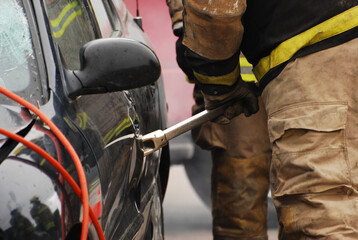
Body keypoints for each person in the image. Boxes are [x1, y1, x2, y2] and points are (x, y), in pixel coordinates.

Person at [174, 0, 358, 239]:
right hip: (307, 69)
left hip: (309, 69)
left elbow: (214, 10)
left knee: (321, 220)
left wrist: (218, 82)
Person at [165, 1, 272, 239]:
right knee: (241, 213)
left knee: (315, 202)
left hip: (305, 71)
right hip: (239, 88)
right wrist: (186, 25)